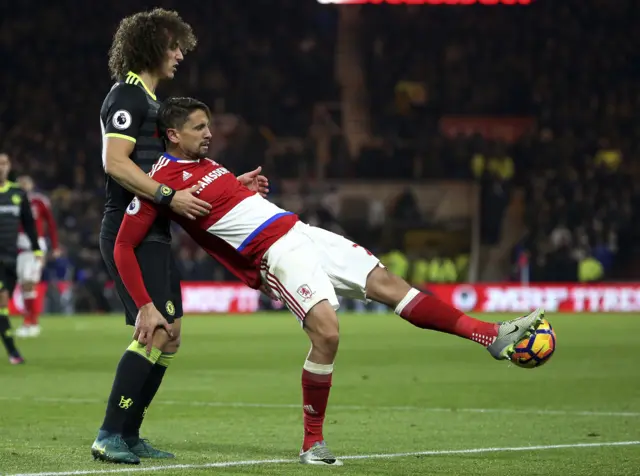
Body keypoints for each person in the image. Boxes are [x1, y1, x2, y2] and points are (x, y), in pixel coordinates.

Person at [114, 97, 546, 466]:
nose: (209, 133)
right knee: (328, 334)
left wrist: (239, 185)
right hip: (275, 255)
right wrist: (145, 304)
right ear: (172, 134)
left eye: (208, 125)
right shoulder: (158, 185)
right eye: (199, 127)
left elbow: (221, 203)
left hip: (302, 231)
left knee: (391, 285)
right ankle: (312, 442)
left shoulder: (207, 164)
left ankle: (489, 335)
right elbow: (122, 247)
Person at [93, 9, 269, 464]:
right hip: (128, 228)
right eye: (172, 46)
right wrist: (169, 196)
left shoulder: (151, 101)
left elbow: (173, 170)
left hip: (156, 231)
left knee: (169, 337)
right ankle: (109, 433)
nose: (178, 54)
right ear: (151, 45)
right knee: (152, 329)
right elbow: (116, 163)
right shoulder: (128, 96)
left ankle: (129, 434)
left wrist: (233, 188)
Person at [0, 154, 42, 365]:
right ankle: (13, 352)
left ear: (9, 167)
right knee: (1, 304)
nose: (1, 167)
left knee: (3, 308)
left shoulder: (17, 193)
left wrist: (36, 249)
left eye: (4, 163)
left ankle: (13, 352)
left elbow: (28, 223)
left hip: (10, 257)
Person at [14, 175, 60, 338]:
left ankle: (32, 322)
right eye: (20, 184)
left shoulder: (39, 201)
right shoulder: (13, 200)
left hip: (35, 248)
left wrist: (55, 246)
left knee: (30, 283)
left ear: (32, 185)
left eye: (26, 183)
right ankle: (28, 322)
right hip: (19, 249)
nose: (23, 186)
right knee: (24, 285)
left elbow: (51, 224)